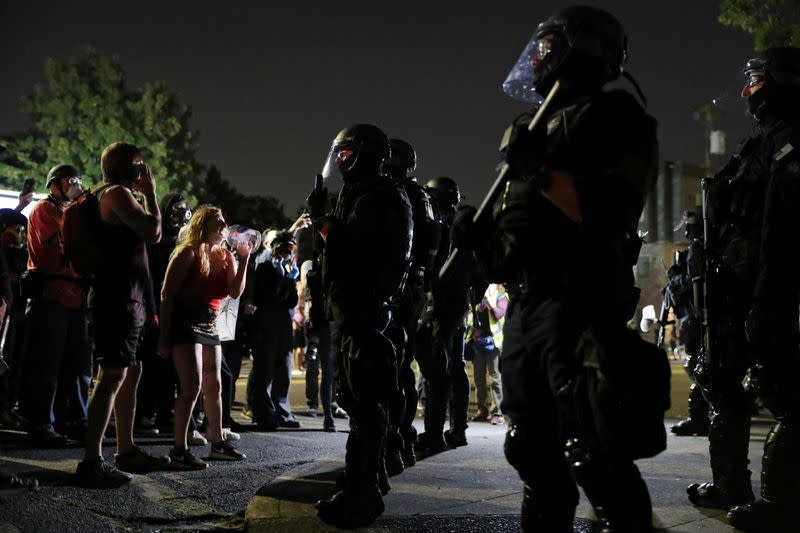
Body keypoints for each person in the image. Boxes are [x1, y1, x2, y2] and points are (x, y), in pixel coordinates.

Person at [452, 6, 660, 531]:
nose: (539, 57)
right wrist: (479, 242)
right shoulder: (534, 128)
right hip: (526, 308)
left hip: (580, 302)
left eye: (549, 46)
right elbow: (513, 242)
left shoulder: (617, 118)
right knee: (530, 449)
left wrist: (540, 172)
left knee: (593, 449)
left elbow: (610, 212)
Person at [699, 48, 800, 532]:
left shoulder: (790, 142)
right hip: (737, 287)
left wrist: (767, 297)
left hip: (773, 288)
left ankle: (782, 501)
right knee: (721, 382)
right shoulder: (758, 143)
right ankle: (729, 485)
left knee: (783, 393)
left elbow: (781, 232)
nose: (746, 91)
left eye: (756, 80)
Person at [308, 124, 412, 528]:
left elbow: (352, 247)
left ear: (366, 153)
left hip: (367, 309)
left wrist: (323, 221)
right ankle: (364, 479)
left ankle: (362, 494)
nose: (340, 161)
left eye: (346, 154)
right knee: (358, 401)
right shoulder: (364, 192)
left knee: (366, 403)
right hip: (354, 310)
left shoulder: (378, 195)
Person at [76, 142, 169, 487]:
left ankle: (126, 448)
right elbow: (154, 232)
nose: (142, 171)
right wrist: (152, 194)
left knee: (131, 371)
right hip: (117, 299)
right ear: (121, 167)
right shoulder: (116, 194)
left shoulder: (112, 194)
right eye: (137, 164)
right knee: (112, 374)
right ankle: (92, 459)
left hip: (131, 298)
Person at [159, 206, 251, 468]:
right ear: (203, 225)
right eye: (218, 221)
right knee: (192, 385)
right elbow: (167, 295)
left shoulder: (225, 255)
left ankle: (218, 443)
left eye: (224, 220)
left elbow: (234, 292)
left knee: (215, 385)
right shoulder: (188, 252)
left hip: (211, 324)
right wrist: (164, 337)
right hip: (186, 321)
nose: (224, 226)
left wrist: (243, 260)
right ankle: (179, 448)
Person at [19, 164, 91, 447]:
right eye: (71, 181)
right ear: (55, 184)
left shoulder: (73, 212)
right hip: (50, 295)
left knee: (78, 365)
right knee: (46, 365)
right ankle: (41, 422)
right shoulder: (43, 211)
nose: (77, 186)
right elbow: (59, 249)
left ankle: (75, 419)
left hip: (75, 297)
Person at [383, 138, 439, 471]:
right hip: (413, 287)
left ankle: (393, 443)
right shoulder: (421, 196)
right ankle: (401, 440)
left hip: (398, 288)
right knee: (400, 368)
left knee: (391, 369)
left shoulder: (400, 194)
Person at [416, 176, 478, 453]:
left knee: (441, 370)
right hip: (454, 306)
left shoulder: (451, 229)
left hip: (446, 307)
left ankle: (436, 432)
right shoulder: (458, 228)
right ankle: (455, 429)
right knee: (452, 367)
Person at [247, 230, 301, 431]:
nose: (286, 252)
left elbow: (291, 301)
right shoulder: (262, 268)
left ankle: (283, 412)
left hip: (284, 327)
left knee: (284, 370)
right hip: (266, 325)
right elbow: (269, 297)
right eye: (283, 247)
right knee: (265, 371)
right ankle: (264, 414)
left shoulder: (289, 270)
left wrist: (289, 279)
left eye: (290, 248)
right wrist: (280, 278)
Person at [662, 212, 708, 437]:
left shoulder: (697, 250)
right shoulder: (707, 247)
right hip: (700, 317)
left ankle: (700, 419)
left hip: (696, 317)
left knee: (696, 366)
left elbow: (692, 282)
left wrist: (675, 278)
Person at [466, 283, 507, 425]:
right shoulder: (479, 299)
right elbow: (474, 316)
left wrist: (490, 302)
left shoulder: (502, 297)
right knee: (479, 379)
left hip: (493, 344)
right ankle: (482, 411)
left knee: (495, 377)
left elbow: (498, 314)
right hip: (479, 343)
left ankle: (498, 412)